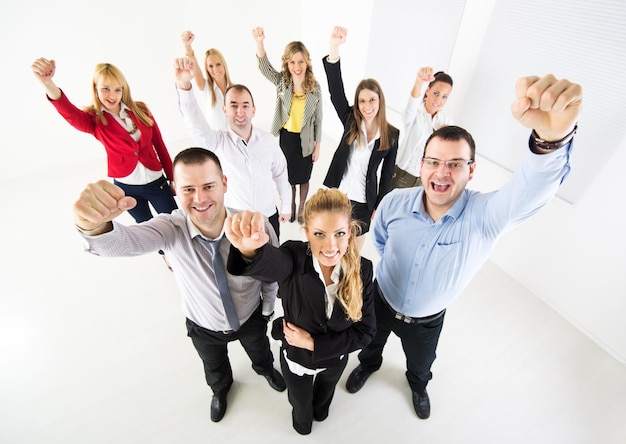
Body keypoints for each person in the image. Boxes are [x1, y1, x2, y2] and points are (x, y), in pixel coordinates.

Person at [344, 74, 582, 420]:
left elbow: (526, 196)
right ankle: (370, 365)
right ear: (422, 165)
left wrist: (550, 141)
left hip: (426, 322)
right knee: (370, 345)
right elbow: (379, 240)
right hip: (381, 301)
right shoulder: (395, 201)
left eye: (455, 164)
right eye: (434, 162)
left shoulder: (483, 216)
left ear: (471, 171)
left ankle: (417, 384)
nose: (442, 173)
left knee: (421, 365)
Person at [72, 147, 286, 423]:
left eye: (208, 186)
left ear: (224, 183)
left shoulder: (253, 225)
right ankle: (221, 390)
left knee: (261, 351)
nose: (199, 199)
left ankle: (265, 370)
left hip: (251, 316)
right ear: (175, 189)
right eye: (188, 189)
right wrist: (91, 226)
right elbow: (121, 243)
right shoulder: (170, 228)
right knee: (214, 368)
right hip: (203, 325)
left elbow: (271, 276)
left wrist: (267, 309)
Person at [225, 188, 376, 435]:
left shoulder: (363, 269)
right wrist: (250, 251)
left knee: (323, 404)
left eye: (339, 233)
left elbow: (366, 332)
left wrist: (314, 343)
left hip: (335, 359)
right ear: (307, 234)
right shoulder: (294, 256)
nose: (331, 246)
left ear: (350, 231)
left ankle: (320, 411)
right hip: (297, 362)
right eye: (319, 234)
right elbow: (274, 264)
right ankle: (302, 423)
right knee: (302, 414)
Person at [31, 58, 178, 268]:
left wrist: (173, 178)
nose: (112, 95)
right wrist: (48, 84)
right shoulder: (95, 119)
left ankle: (181, 253)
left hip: (156, 180)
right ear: (96, 88)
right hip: (127, 187)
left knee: (173, 219)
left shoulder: (141, 110)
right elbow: (71, 114)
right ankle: (166, 254)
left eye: (117, 89)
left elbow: (160, 145)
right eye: (106, 88)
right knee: (146, 225)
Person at [173, 56, 291, 239]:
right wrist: (184, 87)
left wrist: (286, 206)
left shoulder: (268, 141)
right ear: (225, 110)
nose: (240, 111)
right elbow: (195, 124)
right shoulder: (216, 142)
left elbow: (281, 173)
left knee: (273, 261)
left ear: (254, 110)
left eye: (245, 105)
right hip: (235, 221)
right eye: (234, 106)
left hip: (268, 217)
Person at [322, 27, 398, 250]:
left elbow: (387, 173)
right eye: (362, 101)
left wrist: (379, 204)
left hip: (365, 201)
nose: (367, 106)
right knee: (333, 245)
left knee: (354, 252)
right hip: (339, 193)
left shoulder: (391, 135)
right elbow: (336, 91)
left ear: (380, 101)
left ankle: (349, 284)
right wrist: (334, 49)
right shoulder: (351, 121)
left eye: (372, 100)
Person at [253, 26, 323, 224]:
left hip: (306, 139)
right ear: (287, 63)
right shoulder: (282, 82)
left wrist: (317, 146)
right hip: (287, 138)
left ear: (307, 62)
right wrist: (259, 43)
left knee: (304, 176)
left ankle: (302, 206)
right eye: (292, 62)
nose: (296, 66)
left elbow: (319, 118)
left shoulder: (315, 87)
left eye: (300, 61)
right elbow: (265, 68)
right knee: (289, 176)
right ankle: (290, 205)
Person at [392, 67, 454, 190]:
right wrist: (419, 82)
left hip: (424, 182)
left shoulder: (447, 122)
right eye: (436, 93)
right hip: (401, 175)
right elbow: (411, 106)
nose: (439, 100)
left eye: (444, 97)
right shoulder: (415, 114)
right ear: (427, 91)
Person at [180, 30, 232, 130]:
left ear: (224, 64)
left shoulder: (234, 90)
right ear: (207, 69)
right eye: (210, 66)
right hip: (215, 143)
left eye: (218, 64)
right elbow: (193, 64)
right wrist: (187, 46)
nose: (215, 69)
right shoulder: (206, 87)